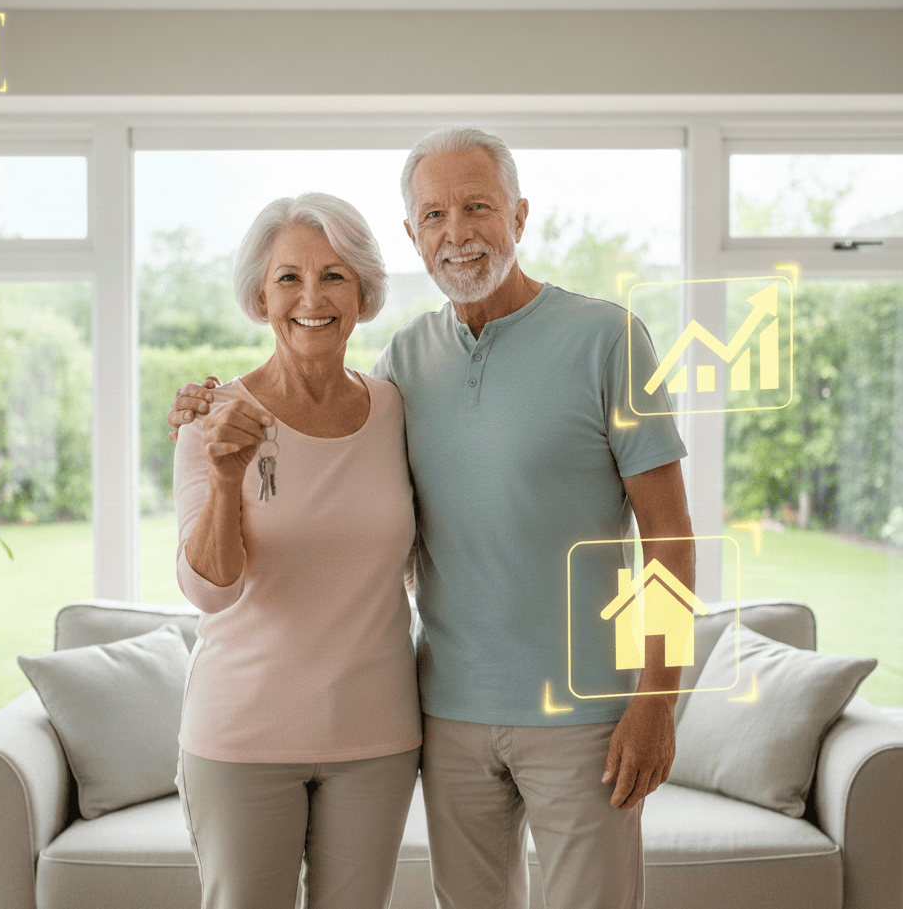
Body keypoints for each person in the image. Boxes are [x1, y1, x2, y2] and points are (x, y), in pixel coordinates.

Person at [169, 129, 695, 909]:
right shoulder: (404, 366)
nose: (458, 232)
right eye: (435, 214)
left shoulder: (607, 339)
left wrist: (656, 700)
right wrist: (199, 424)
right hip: (446, 714)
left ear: (519, 214)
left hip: (584, 715)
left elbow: (671, 534)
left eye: (477, 206)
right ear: (413, 235)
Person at [172, 191, 421, 909]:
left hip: (376, 735)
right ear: (260, 294)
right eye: (289, 277)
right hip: (241, 737)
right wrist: (224, 477)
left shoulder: (397, 410)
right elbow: (210, 589)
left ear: (365, 290)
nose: (312, 297)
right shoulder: (212, 420)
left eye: (334, 275)